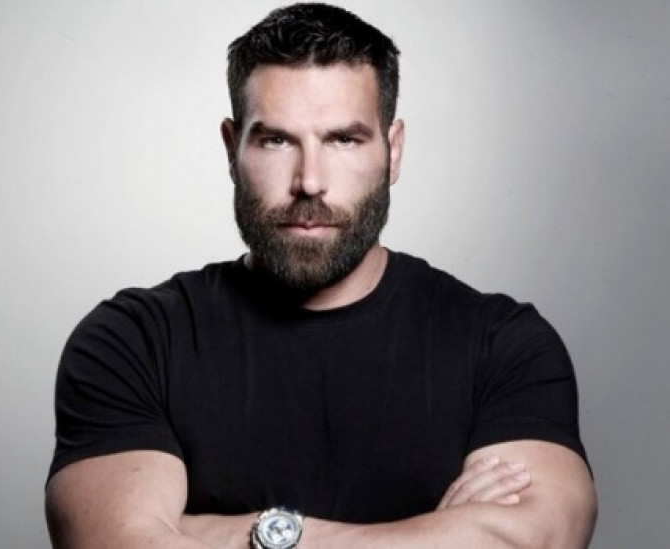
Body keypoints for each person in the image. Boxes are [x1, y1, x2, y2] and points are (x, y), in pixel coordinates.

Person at [45, 3, 597, 548]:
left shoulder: (503, 345)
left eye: (343, 140)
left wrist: (244, 534)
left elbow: (536, 540)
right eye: (276, 140)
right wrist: (439, 533)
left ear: (393, 151)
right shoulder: (134, 340)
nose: (310, 182)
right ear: (232, 150)